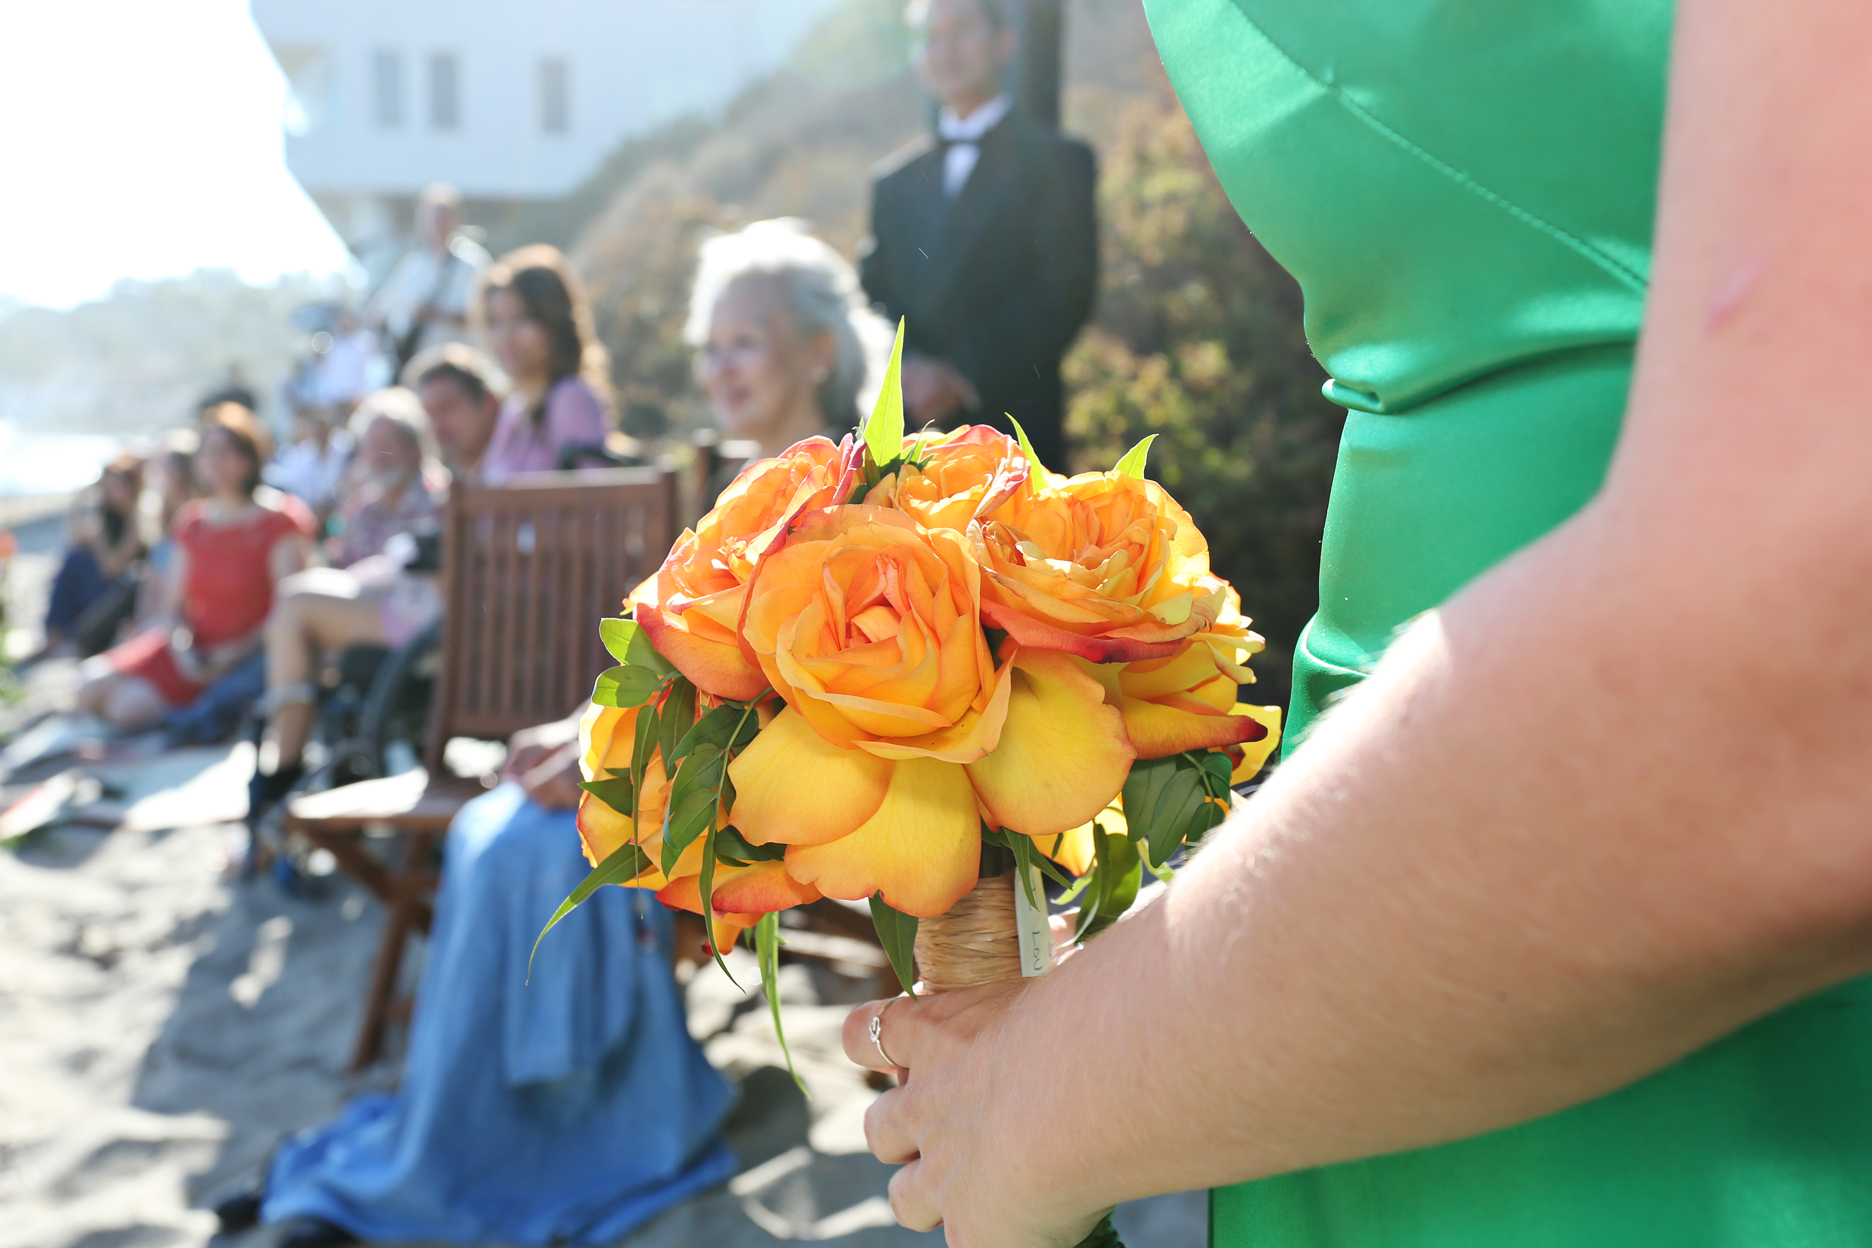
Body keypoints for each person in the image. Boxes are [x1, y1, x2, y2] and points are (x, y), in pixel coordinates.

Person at [839, 1, 1872, 1246]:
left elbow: (1807, 653)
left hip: (1667, 941)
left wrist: (1051, 1091)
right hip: (1391, 908)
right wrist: (1228, 934)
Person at [221, 715, 737, 1248]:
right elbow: (649, 668)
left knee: (554, 849)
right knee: (488, 828)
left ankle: (568, 1116)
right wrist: (573, 731)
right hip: (640, 754)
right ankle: (461, 1123)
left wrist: (592, 763)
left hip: (695, 772)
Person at [856, 0, 1096, 470]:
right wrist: (908, 369)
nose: (944, 49)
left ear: (1003, 43)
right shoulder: (893, 183)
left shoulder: (1060, 162)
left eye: (961, 30)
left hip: (1017, 428)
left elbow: (1063, 292)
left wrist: (961, 373)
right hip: (912, 436)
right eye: (930, 36)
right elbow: (870, 293)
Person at [248, 389, 447, 818]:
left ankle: (281, 771)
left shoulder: (437, 499)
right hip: (375, 619)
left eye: (390, 442)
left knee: (295, 603)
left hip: (421, 624)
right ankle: (289, 761)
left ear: (416, 445)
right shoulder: (364, 508)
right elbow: (341, 566)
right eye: (372, 445)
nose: (380, 455)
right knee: (296, 614)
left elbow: (413, 577)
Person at [78, 406, 312, 730]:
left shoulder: (280, 520)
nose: (214, 462)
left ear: (249, 457)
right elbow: (173, 609)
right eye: (207, 452)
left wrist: (230, 655)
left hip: (248, 656)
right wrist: (184, 653)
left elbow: (291, 610)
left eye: (225, 452)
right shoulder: (192, 522)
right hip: (190, 650)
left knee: (125, 710)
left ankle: (196, 710)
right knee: (85, 685)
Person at [687, 218, 890, 458]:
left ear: (821, 350)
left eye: (744, 341)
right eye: (711, 348)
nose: (720, 370)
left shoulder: (873, 482)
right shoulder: (728, 487)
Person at [476, 244, 613, 483]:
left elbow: (598, 501)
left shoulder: (570, 397)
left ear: (554, 323)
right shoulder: (514, 410)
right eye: (495, 322)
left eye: (521, 318)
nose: (505, 337)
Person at [367, 183, 491, 372]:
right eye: (432, 217)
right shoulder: (412, 266)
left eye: (443, 216)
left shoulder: (473, 262)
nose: (437, 223)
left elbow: (482, 313)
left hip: (460, 368)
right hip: (416, 367)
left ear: (457, 219)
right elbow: (383, 310)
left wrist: (433, 313)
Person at [39, 454, 145, 659]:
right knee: (74, 559)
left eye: (119, 485)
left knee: (78, 562)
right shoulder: (103, 512)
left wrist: (98, 536)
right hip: (101, 585)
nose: (114, 491)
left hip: (120, 591)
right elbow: (73, 538)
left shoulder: (136, 518)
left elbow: (110, 567)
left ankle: (66, 639)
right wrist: (80, 500)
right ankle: (54, 636)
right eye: (108, 485)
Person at [404, 343, 508, 482]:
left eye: (447, 407)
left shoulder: (523, 467)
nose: (437, 426)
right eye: (429, 414)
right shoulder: (444, 488)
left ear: (489, 404)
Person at [264, 405, 354, 519]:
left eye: (324, 429)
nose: (321, 433)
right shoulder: (300, 455)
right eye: (318, 429)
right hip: (310, 511)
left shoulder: (344, 449)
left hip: (338, 509)